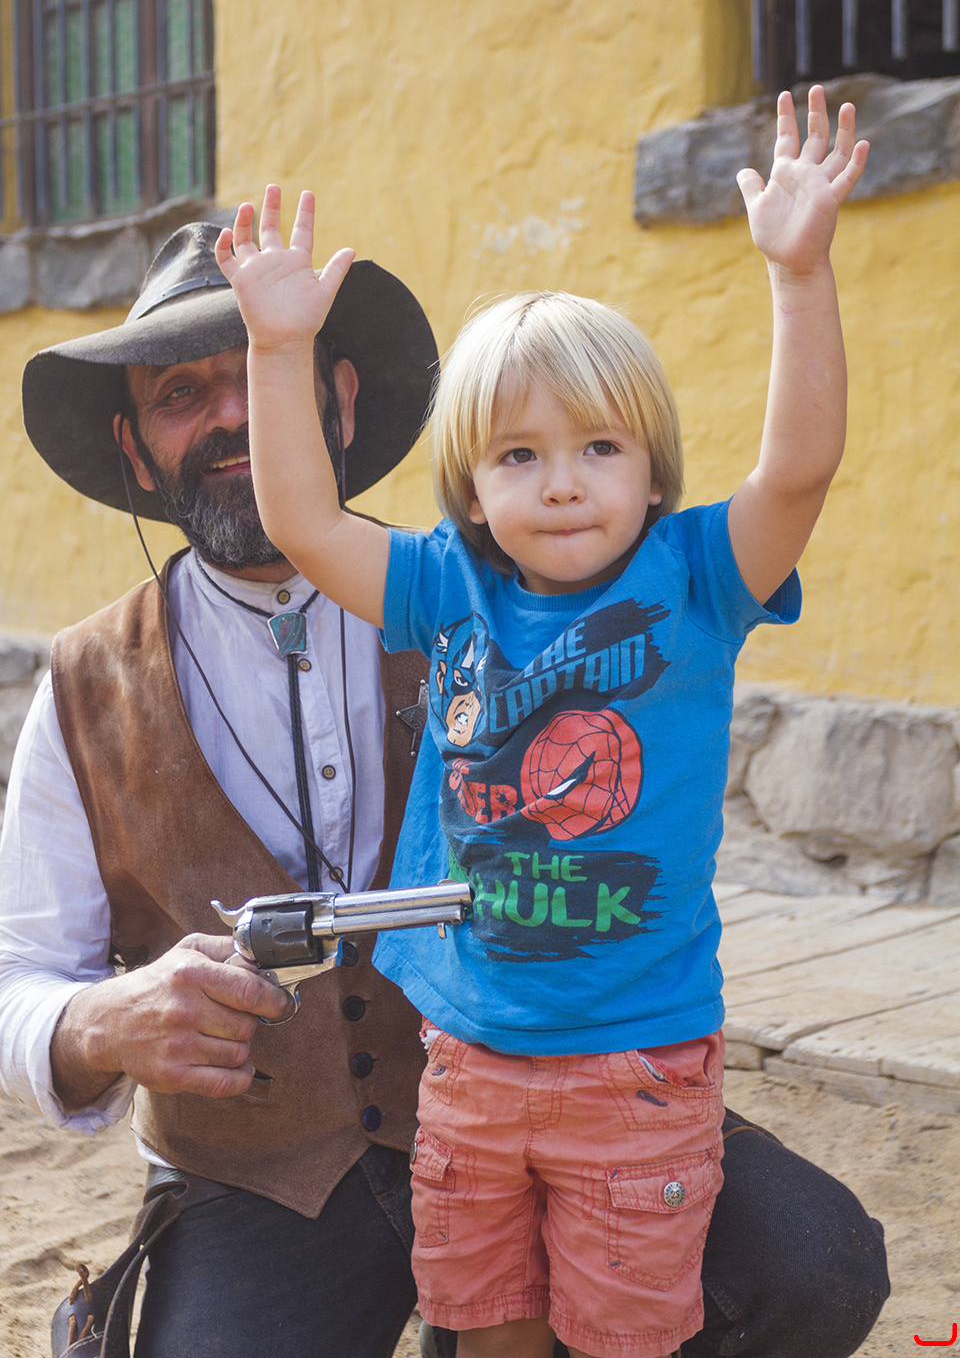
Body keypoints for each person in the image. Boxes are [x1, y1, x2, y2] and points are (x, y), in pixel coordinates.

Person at [0, 215, 887, 1358]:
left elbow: (794, 475)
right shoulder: (83, 687)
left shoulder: (471, 580)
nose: (231, 416)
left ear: (341, 402)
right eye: (180, 393)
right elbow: (17, 977)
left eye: (257, 378)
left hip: (580, 1077)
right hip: (268, 1176)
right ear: (132, 449)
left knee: (814, 1261)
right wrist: (95, 1020)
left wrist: (800, 273)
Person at [216, 85, 879, 1358]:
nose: (563, 481)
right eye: (518, 455)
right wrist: (277, 346)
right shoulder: (446, 586)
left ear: (654, 469)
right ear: (470, 487)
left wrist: (800, 275)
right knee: (488, 1332)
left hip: (637, 1071)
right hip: (467, 1063)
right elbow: (302, 521)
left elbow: (799, 467)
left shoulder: (699, 578)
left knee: (624, 1338)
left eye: (599, 448)